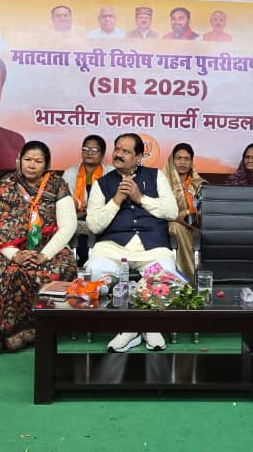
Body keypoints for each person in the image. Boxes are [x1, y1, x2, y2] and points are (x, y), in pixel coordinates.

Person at [0, 140, 77, 356]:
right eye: (28, 159)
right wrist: (14, 254)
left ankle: (34, 331)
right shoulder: (6, 184)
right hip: (9, 248)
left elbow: (68, 226)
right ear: (19, 160)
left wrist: (44, 255)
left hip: (48, 248)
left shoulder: (57, 185)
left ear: (47, 165)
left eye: (38, 161)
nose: (32, 165)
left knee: (61, 268)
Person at [84, 133, 179, 353]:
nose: (119, 154)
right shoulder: (101, 184)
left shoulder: (156, 176)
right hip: (113, 249)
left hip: (151, 249)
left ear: (138, 157)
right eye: (117, 149)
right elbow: (94, 226)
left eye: (126, 151)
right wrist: (116, 201)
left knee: (167, 274)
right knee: (94, 273)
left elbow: (172, 212)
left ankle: (132, 329)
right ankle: (141, 326)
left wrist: (140, 198)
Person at [164, 143, 206, 281]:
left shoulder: (200, 184)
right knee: (174, 227)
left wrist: (188, 212)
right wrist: (176, 217)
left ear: (191, 161)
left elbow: (208, 208)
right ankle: (187, 279)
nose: (182, 162)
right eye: (179, 158)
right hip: (166, 227)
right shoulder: (161, 182)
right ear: (172, 160)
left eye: (187, 159)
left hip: (195, 228)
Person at [61, 134, 105, 236]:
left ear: (102, 154)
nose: (89, 153)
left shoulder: (110, 172)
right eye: (85, 149)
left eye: (94, 150)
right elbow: (63, 200)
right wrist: (75, 214)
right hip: (74, 217)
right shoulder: (70, 172)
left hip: (101, 218)